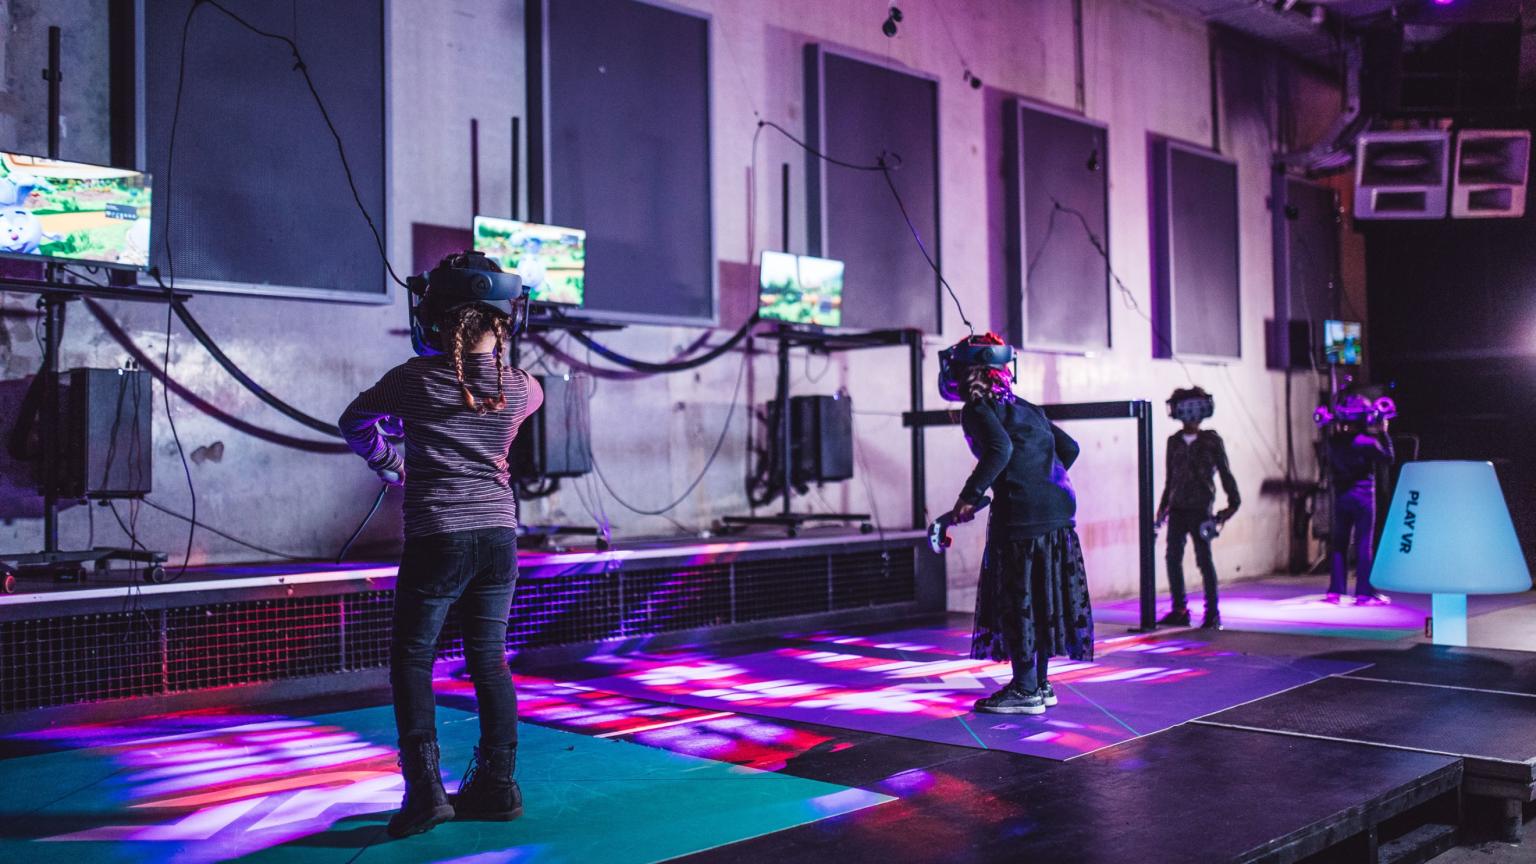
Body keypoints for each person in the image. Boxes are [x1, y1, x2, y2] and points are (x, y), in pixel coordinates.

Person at [340, 252, 543, 839]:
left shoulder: (412, 379)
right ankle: (498, 786)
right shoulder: (523, 387)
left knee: (412, 657)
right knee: (489, 660)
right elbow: (476, 414)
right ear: (506, 322)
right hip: (499, 537)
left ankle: (425, 793)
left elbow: (353, 420)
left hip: (438, 537)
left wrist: (390, 462)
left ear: (432, 318)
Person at [944, 333, 1094, 716]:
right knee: (1041, 597)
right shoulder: (1027, 407)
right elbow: (1070, 448)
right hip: (1059, 511)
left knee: (1018, 598)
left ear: (964, 371)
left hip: (1023, 518)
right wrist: (1040, 482)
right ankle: (1039, 684)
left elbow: (1000, 449)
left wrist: (968, 498)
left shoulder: (978, 409)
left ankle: (1025, 689)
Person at [1155, 387, 1240, 630]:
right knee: (1173, 558)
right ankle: (1179, 609)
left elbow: (1225, 473)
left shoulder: (1211, 441)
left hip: (1201, 509)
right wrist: (1163, 509)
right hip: (1178, 508)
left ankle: (1212, 613)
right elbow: (1170, 478)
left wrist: (1232, 505)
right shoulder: (1173, 442)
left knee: (1204, 560)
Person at [1325, 395, 1395, 605]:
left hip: (1341, 496)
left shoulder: (1333, 442)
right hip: (1363, 496)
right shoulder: (1368, 443)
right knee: (1364, 543)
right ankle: (1363, 592)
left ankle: (1335, 591)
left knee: (1339, 544)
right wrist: (1384, 433)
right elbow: (1389, 458)